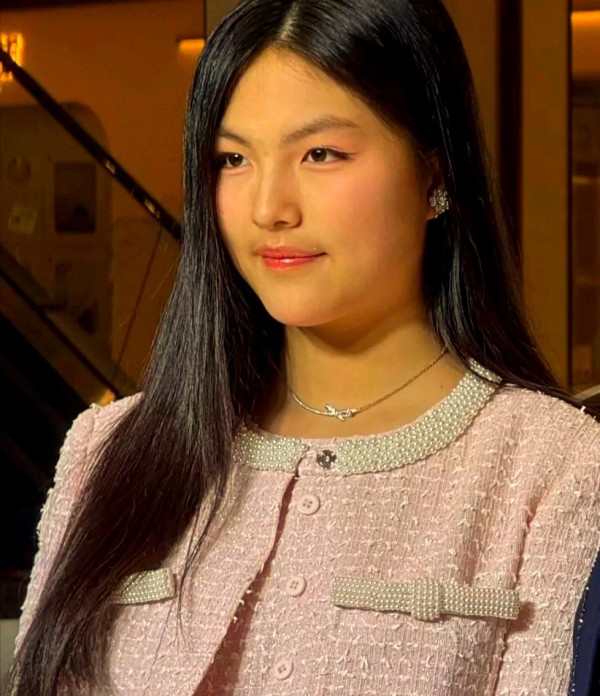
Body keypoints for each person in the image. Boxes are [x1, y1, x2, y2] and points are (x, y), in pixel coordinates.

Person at [8, 0, 600, 693]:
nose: (269, 208)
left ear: (434, 174)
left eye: (320, 154)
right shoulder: (108, 450)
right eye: (233, 159)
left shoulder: (551, 467)